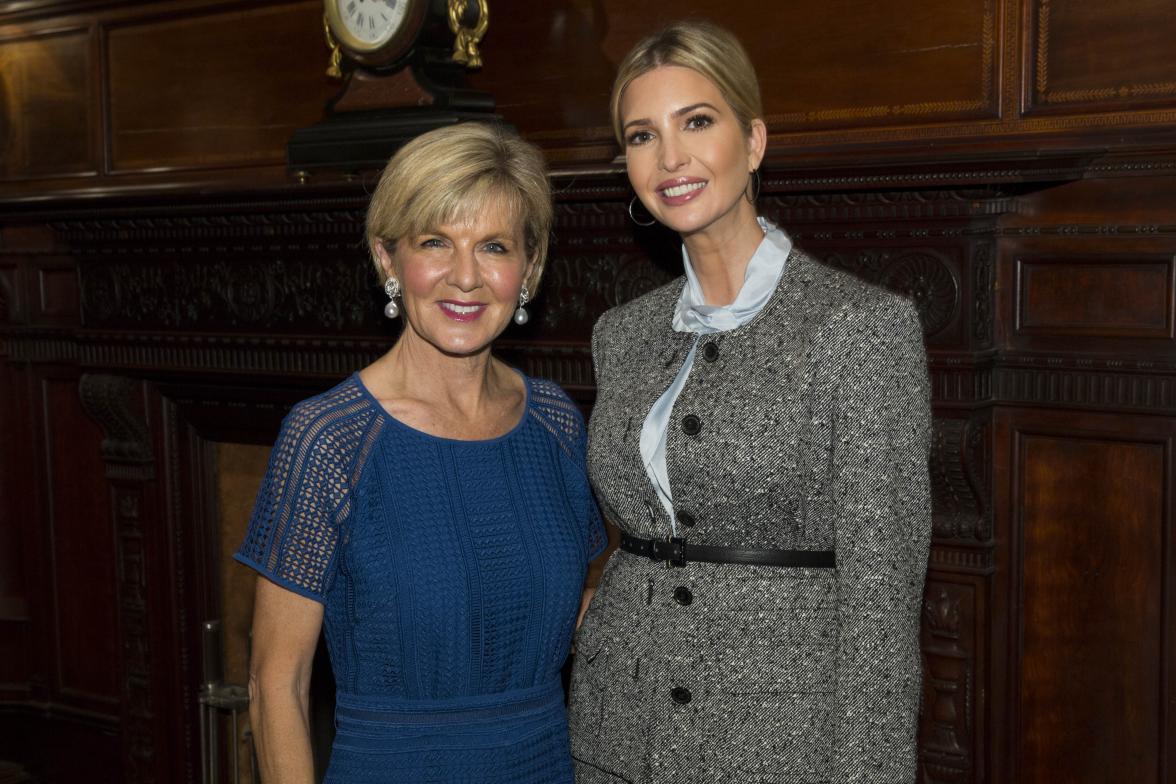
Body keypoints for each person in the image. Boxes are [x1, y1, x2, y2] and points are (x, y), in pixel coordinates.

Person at [568, 20, 932, 784]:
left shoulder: (861, 330)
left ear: (755, 141)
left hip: (784, 747)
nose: (671, 159)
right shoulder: (622, 336)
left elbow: (882, 608)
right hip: (617, 736)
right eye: (642, 136)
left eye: (697, 122)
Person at [236, 122, 607, 783]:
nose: (465, 277)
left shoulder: (557, 424)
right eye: (436, 242)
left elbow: (584, 613)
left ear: (529, 267)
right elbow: (276, 688)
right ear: (387, 258)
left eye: (493, 246)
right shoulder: (329, 438)